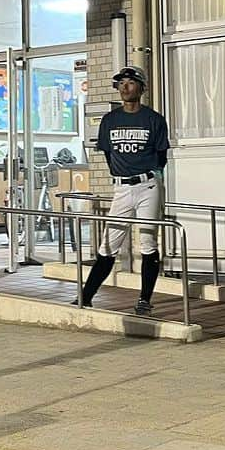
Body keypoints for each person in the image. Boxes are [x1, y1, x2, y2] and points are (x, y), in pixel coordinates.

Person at [74, 66, 169, 316]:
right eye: (121, 83)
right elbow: (107, 152)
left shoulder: (154, 119)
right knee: (108, 244)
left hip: (148, 183)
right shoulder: (110, 119)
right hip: (122, 187)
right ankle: (86, 297)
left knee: (148, 242)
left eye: (130, 82)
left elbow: (161, 155)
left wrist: (150, 174)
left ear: (141, 87)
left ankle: (144, 299)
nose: (125, 87)